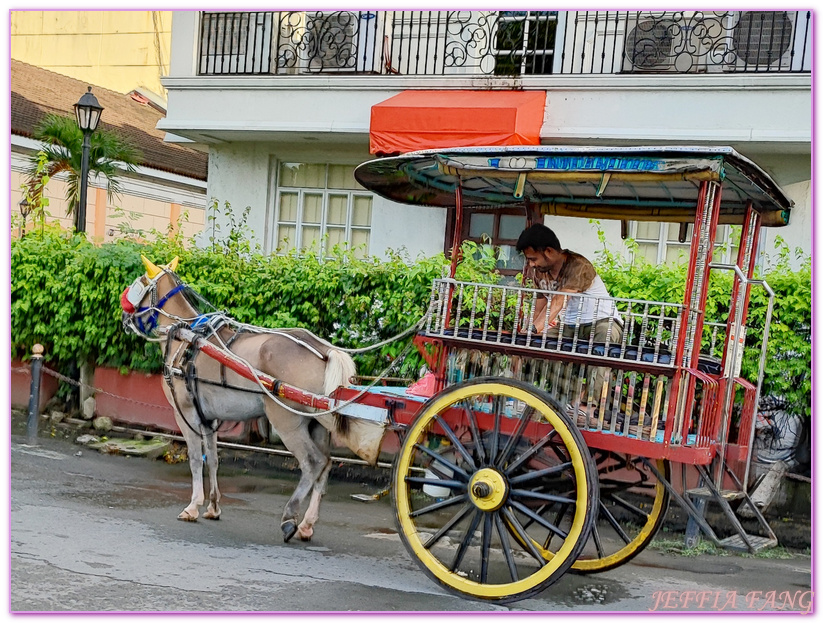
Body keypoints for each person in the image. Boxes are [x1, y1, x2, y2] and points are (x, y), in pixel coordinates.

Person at [515, 223, 623, 413]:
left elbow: (558, 301)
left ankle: (588, 406)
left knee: (602, 348)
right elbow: (541, 305)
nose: (531, 264)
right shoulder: (539, 271)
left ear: (548, 251)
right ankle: (559, 398)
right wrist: (529, 333)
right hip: (570, 324)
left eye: (533, 258)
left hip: (602, 320)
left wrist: (532, 331)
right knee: (534, 347)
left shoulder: (578, 265)